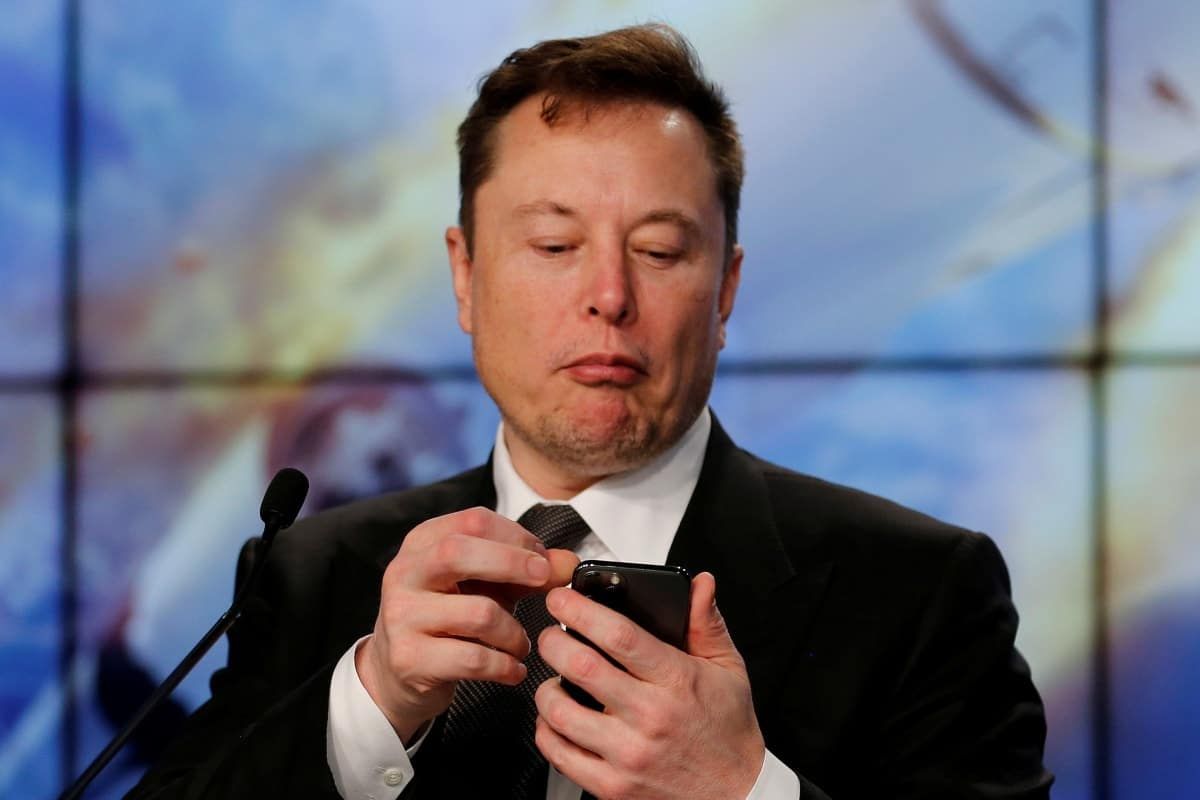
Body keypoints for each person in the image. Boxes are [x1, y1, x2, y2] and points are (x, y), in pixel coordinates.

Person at [129, 24, 1053, 800]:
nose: (608, 296)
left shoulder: (924, 592)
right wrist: (368, 705)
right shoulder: (314, 574)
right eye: (553, 244)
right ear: (465, 276)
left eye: (659, 251)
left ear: (726, 291)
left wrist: (742, 790)